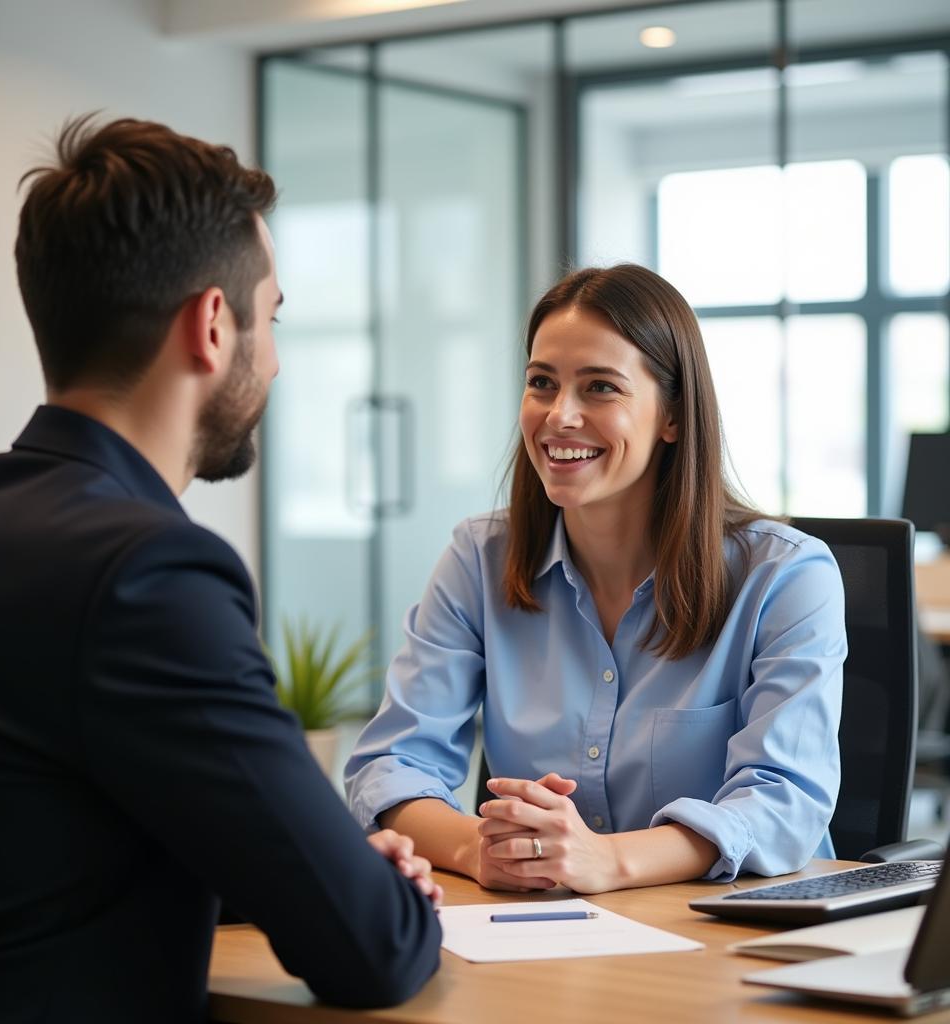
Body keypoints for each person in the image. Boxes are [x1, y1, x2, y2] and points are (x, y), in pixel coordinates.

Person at [0, 115, 441, 1024]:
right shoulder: (147, 572)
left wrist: (323, 864)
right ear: (212, 325)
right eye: (270, 318)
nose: (275, 361)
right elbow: (373, 953)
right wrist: (380, 896)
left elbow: (39, 836)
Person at [346, 264, 846, 895]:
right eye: (541, 383)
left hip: (730, 935)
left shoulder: (784, 576)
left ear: (672, 415)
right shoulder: (479, 558)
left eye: (601, 388)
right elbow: (392, 765)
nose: (560, 416)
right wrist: (480, 850)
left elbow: (784, 802)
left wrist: (603, 859)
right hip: (544, 933)